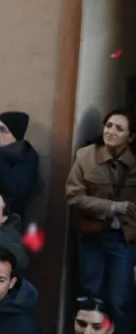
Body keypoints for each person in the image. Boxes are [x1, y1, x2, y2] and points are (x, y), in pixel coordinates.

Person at [66, 108, 136, 334]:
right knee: (90, 294)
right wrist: (110, 207)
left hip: (124, 238)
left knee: (120, 299)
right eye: (108, 126)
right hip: (92, 234)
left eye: (119, 128)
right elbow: (74, 196)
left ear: (131, 137)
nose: (111, 131)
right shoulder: (85, 156)